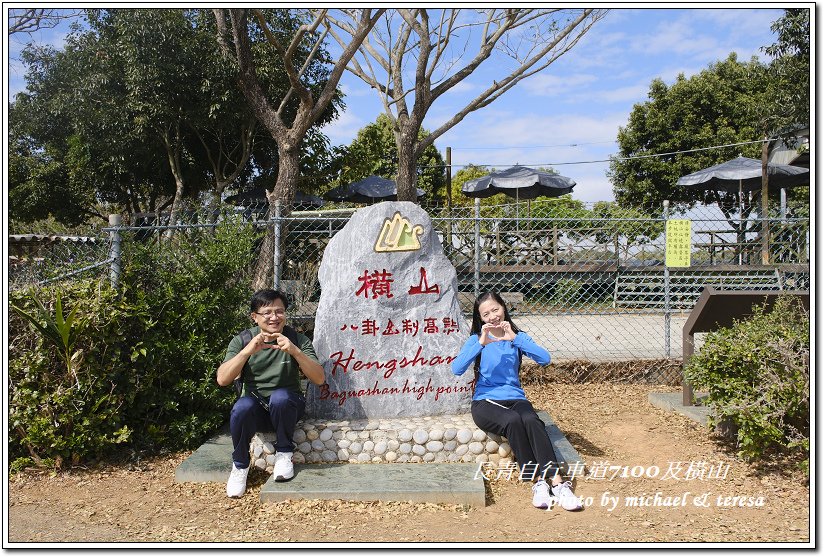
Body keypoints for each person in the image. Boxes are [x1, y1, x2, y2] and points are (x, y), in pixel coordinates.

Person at [452, 291, 583, 511]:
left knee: (531, 420)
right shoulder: (476, 339)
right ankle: (538, 482)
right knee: (512, 421)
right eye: (486, 314)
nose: (492, 316)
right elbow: (456, 369)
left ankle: (558, 483)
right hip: (485, 402)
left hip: (515, 397)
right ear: (480, 318)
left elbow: (545, 359)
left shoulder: (517, 336)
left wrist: (515, 338)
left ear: (504, 307)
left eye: (496, 309)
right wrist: (481, 343)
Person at [217, 289, 325, 498]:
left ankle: (284, 454)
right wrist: (247, 352)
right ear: (254, 317)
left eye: (279, 311)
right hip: (256, 410)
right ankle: (240, 465)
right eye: (267, 312)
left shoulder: (296, 339)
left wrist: (295, 351)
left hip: (287, 408)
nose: (274, 317)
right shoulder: (243, 340)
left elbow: (319, 378)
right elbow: (222, 379)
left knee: (281, 398)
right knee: (241, 407)